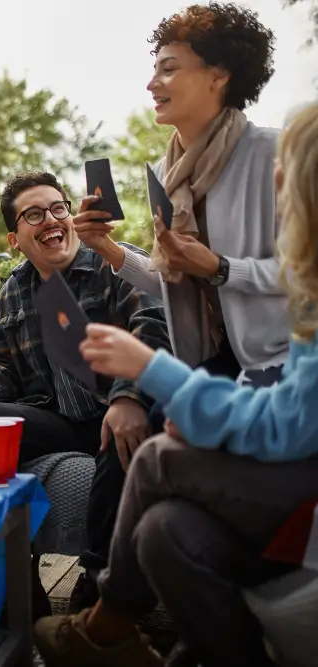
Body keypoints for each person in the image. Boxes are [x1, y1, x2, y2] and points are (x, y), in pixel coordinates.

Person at [34, 101, 318, 667]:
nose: (278, 178)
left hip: (279, 425)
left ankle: (102, 622)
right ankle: (167, 647)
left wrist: (146, 373)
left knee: (158, 456)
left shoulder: (254, 159)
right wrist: (116, 251)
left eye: (290, 167)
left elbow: (287, 426)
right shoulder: (175, 175)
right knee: (165, 531)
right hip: (251, 389)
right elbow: (172, 287)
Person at [0, 172, 171, 613]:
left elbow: (155, 331)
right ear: (15, 239)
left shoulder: (116, 263)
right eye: (34, 215)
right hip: (64, 422)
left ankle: (94, 593)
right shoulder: (15, 290)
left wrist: (127, 397)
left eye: (57, 208)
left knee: (119, 436)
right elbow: (2, 370)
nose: (51, 220)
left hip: (123, 409)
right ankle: (18, 578)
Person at [75, 2, 285, 393]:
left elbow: (307, 275)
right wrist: (107, 248)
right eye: (154, 71)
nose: (152, 84)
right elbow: (174, 282)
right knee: (137, 439)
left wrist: (222, 269)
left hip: (288, 360)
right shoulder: (165, 172)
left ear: (219, 74)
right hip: (215, 357)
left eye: (169, 69)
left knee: (168, 439)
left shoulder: (276, 154)